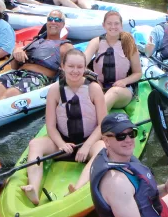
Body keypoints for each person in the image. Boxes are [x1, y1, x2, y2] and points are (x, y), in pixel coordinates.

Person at [21, 49, 107, 204]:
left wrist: (87, 146)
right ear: (63, 66)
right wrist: (61, 144)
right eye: (71, 66)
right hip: (63, 144)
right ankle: (33, 187)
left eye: (80, 67)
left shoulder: (94, 89)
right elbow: (50, 126)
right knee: (35, 144)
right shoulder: (55, 90)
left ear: (85, 68)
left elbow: (102, 125)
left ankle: (78, 188)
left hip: (88, 143)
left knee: (102, 148)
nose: (75, 71)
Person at [0, 9, 73, 110]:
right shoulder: (34, 42)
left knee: (10, 94)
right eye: (50, 19)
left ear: (62, 24)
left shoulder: (65, 46)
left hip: (39, 78)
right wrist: (16, 52)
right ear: (47, 22)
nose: (53, 22)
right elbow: (14, 66)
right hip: (18, 72)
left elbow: (70, 70)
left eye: (57, 20)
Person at [83, 11, 142, 111]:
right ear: (103, 25)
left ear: (121, 25)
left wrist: (124, 81)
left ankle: (95, 121)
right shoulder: (96, 42)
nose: (113, 27)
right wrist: (95, 80)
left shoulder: (129, 43)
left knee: (113, 93)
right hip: (99, 86)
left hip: (122, 90)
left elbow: (138, 73)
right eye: (109, 23)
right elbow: (81, 64)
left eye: (116, 23)